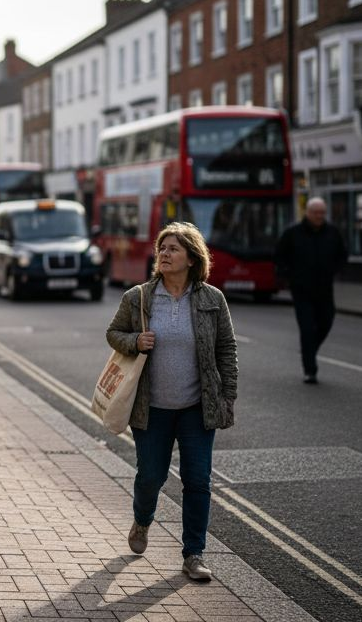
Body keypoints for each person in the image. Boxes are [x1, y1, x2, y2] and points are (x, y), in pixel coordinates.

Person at [106, 222, 238, 583]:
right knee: (151, 476)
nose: (164, 254)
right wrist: (136, 341)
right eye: (162, 248)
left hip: (197, 407)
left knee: (198, 481)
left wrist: (227, 396)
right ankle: (142, 520)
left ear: (192, 258)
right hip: (152, 408)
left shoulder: (212, 299)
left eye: (173, 249)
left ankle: (193, 554)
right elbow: (113, 333)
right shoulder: (140, 298)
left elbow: (226, 348)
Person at [275, 198, 347, 384]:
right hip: (301, 290)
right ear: (307, 213)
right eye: (316, 212)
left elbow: (342, 254)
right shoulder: (293, 233)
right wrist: (286, 275)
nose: (319, 216)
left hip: (324, 289)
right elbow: (280, 256)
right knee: (307, 329)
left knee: (326, 322)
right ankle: (310, 369)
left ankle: (309, 349)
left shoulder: (332, 233)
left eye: (322, 213)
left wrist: (335, 269)